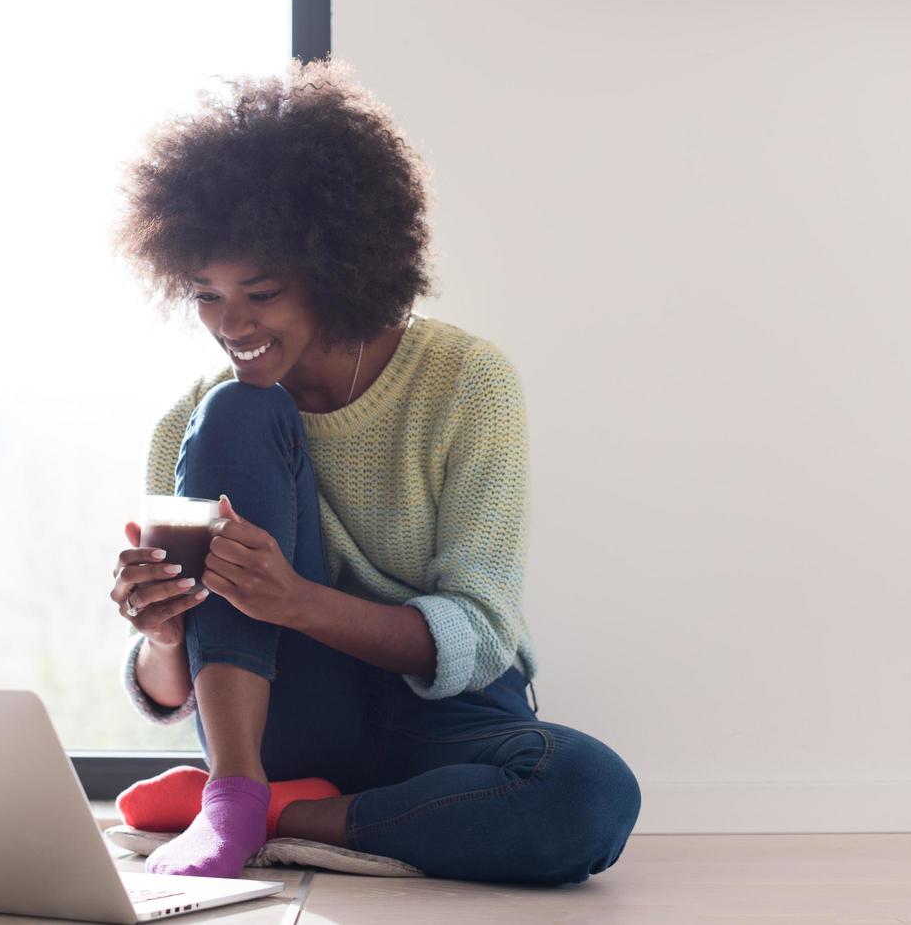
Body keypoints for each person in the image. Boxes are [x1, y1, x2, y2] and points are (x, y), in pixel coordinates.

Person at [106, 59, 640, 886]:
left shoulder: (464, 380)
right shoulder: (196, 421)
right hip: (285, 711)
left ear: (333, 268)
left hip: (443, 717)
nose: (230, 324)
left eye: (262, 291)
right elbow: (169, 691)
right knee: (239, 413)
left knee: (586, 793)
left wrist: (298, 599)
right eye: (205, 295)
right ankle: (237, 790)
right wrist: (161, 634)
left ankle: (278, 815)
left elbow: (483, 628)